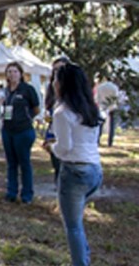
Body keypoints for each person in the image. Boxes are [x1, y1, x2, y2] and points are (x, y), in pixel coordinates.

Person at [46, 63, 102, 266]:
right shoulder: (90, 110)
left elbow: (65, 148)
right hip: (95, 169)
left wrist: (51, 147)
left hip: (74, 171)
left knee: (73, 226)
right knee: (77, 223)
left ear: (62, 84)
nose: (53, 83)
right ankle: (84, 257)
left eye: (55, 79)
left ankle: (80, 262)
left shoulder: (61, 112)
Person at [0, 62, 40, 204]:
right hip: (7, 130)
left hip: (23, 131)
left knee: (24, 162)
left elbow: (36, 109)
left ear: (21, 74)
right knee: (11, 163)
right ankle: (11, 192)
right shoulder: (5, 91)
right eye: (9, 72)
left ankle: (27, 194)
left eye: (15, 71)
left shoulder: (27, 89)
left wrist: (26, 118)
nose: (12, 74)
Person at [44, 56, 70, 184]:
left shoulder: (74, 93)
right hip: (53, 130)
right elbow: (48, 107)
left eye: (60, 69)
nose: (57, 73)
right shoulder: (51, 88)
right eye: (55, 70)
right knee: (56, 165)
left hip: (67, 133)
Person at [94, 75, 119, 147]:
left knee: (100, 123)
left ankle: (98, 139)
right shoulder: (114, 87)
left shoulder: (100, 87)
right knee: (112, 124)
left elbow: (96, 97)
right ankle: (110, 141)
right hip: (111, 106)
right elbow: (116, 98)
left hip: (102, 106)